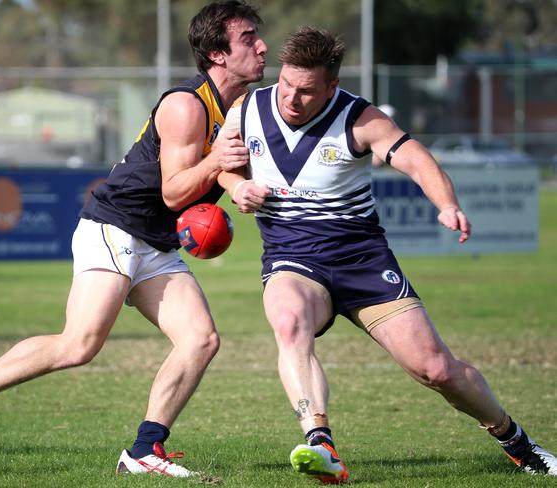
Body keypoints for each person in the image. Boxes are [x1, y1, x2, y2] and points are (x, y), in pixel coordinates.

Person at [0, 0, 267, 477]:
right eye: (248, 39)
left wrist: (236, 183)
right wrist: (220, 162)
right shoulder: (185, 105)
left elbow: (215, 169)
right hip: (115, 225)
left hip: (156, 242)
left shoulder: (239, 107)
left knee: (200, 339)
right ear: (217, 54)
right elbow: (175, 187)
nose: (262, 46)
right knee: (79, 344)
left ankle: (144, 450)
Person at [226, 27, 557, 484]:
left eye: (306, 91)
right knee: (289, 320)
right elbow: (227, 165)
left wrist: (446, 205)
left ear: (332, 86)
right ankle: (321, 443)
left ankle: (517, 442)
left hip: (361, 258)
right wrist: (238, 186)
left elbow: (417, 160)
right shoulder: (247, 108)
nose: (292, 99)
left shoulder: (362, 120)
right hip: (292, 255)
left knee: (437, 370)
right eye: (287, 85)